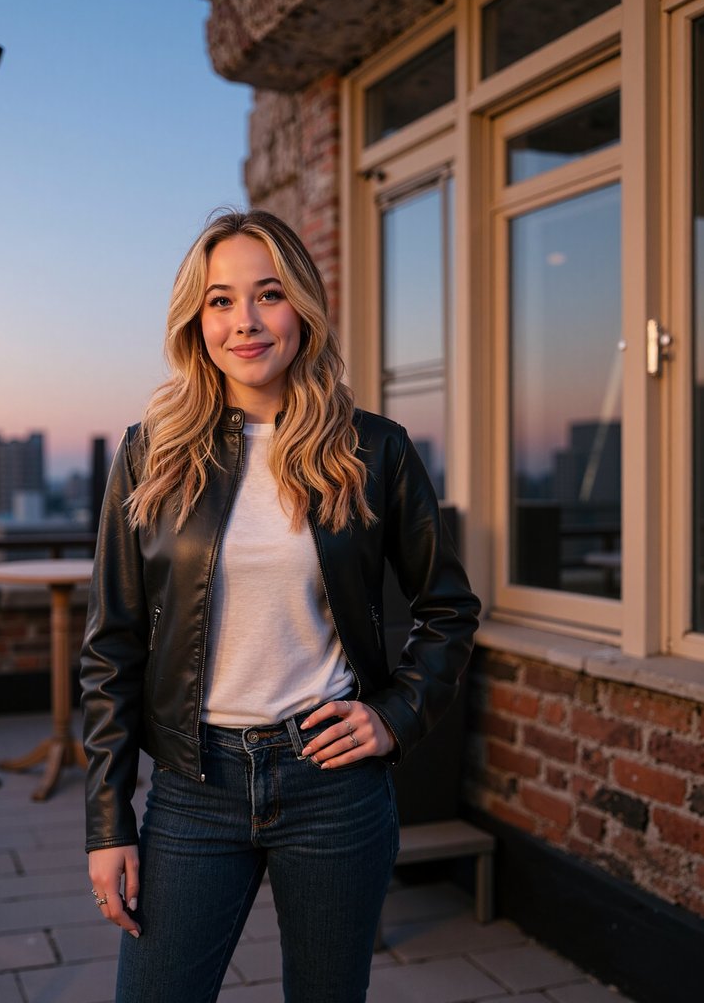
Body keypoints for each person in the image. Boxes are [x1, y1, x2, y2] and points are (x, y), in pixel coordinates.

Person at [80, 209, 480, 1003]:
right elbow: (111, 646)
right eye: (222, 300)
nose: (247, 322)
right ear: (197, 320)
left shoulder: (375, 450)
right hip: (195, 787)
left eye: (268, 294)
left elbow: (448, 608)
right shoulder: (149, 452)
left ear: (303, 307)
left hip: (333, 784)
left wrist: (395, 716)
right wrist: (107, 820)